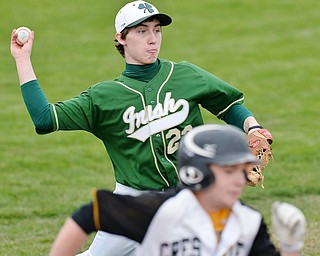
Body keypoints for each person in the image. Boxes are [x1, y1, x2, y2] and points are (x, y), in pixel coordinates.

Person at [10, 1, 273, 255]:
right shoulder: (103, 98)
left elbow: (229, 105)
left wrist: (253, 127)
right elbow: (45, 119)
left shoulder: (184, 75)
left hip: (191, 195)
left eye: (157, 30)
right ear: (121, 38)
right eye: (142, 31)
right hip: (136, 202)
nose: (153, 39)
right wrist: (23, 59)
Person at [49, 124, 305, 256]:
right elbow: (88, 214)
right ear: (197, 173)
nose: (240, 180)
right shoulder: (161, 210)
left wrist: (291, 245)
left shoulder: (249, 222)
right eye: (228, 171)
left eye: (242, 169)